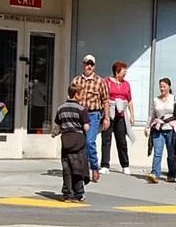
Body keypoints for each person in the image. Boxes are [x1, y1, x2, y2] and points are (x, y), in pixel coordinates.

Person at [70, 54, 110, 182]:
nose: (89, 66)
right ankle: (80, 169)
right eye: (87, 64)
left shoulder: (100, 81)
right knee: (78, 143)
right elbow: (71, 98)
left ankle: (94, 167)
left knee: (89, 142)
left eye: (91, 64)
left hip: (93, 114)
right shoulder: (76, 81)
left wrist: (107, 117)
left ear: (94, 66)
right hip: (78, 114)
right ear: (83, 65)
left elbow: (106, 100)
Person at [144, 78, 176, 184]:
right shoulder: (156, 100)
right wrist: (147, 127)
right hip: (158, 128)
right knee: (157, 152)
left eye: (164, 86)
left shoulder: (175, 99)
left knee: (171, 153)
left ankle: (172, 173)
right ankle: (155, 173)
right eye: (160, 86)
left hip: (171, 128)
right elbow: (152, 114)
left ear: (169, 87)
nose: (162, 88)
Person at [53, 84, 91, 202]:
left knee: (67, 168)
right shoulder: (82, 109)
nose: (83, 96)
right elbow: (86, 127)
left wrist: (54, 134)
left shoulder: (61, 108)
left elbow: (58, 126)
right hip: (78, 140)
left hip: (66, 140)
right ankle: (78, 193)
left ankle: (67, 194)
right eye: (81, 94)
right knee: (78, 168)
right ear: (76, 95)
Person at [101, 61, 134, 175]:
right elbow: (103, 97)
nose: (125, 73)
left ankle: (125, 164)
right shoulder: (107, 82)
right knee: (106, 140)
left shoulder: (126, 84)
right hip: (109, 114)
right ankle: (105, 164)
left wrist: (132, 115)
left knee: (121, 140)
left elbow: (129, 100)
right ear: (117, 71)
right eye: (123, 70)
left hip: (121, 115)